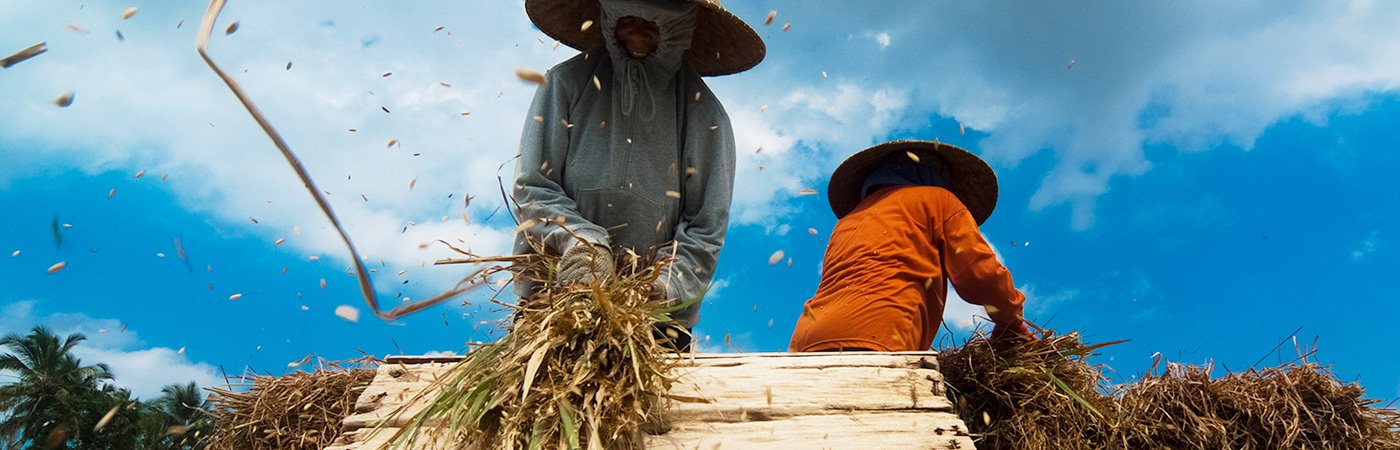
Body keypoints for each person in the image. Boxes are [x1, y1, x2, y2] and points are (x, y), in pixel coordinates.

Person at [511, 0, 764, 350]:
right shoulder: (565, 84)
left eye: (656, 24)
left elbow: (705, 226)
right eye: (629, 18)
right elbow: (534, 186)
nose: (639, 32)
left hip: (653, 325)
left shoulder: (706, 116)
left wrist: (661, 287)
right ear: (608, 17)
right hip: (554, 300)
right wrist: (580, 244)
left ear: (682, 29)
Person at [789, 140, 1033, 352]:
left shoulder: (845, 223)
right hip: (881, 334)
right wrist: (1010, 321)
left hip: (806, 340)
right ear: (931, 176)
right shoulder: (936, 199)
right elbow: (980, 273)